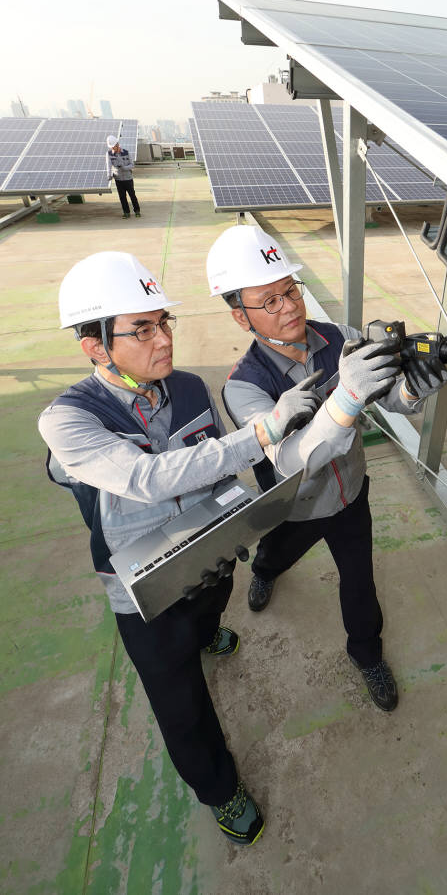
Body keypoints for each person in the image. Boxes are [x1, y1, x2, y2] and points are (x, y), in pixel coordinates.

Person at [38, 250, 323, 847]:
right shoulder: (68, 421)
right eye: (141, 330)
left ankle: (205, 631)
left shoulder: (191, 387)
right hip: (143, 590)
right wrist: (265, 431)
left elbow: (214, 470)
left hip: (207, 551)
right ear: (94, 345)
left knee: (213, 607)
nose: (162, 340)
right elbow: (147, 478)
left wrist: (237, 518)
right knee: (182, 702)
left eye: (164, 322)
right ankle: (220, 789)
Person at [206, 225, 447, 713]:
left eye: (290, 291)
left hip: (350, 494)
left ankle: (367, 653)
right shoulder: (244, 387)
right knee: (275, 553)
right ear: (240, 316)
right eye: (269, 301)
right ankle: (267, 571)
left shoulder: (342, 337)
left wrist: (414, 390)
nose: (290, 306)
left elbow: (390, 400)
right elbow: (290, 458)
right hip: (294, 506)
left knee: (359, 581)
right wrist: (347, 396)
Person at [107, 136, 140, 218]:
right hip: (118, 179)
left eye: (114, 147)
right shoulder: (109, 154)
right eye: (111, 147)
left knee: (132, 195)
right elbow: (108, 166)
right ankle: (126, 213)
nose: (113, 149)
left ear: (117, 145)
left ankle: (137, 211)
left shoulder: (126, 152)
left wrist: (125, 168)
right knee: (122, 197)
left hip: (128, 178)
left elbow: (132, 165)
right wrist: (109, 175)